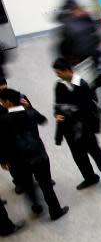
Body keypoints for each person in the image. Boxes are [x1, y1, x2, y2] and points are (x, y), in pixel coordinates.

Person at [0, 90, 68, 220]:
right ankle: (55, 211)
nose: (2, 104)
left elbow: (1, 142)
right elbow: (43, 120)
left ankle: (36, 207)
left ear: (8, 102)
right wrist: (29, 107)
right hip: (38, 154)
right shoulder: (30, 113)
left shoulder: (2, 120)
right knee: (46, 184)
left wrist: (3, 160)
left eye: (2, 102)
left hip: (18, 159)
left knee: (27, 185)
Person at [51, 58, 101, 190]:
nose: (57, 75)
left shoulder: (82, 86)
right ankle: (90, 177)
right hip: (69, 130)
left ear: (68, 71)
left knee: (96, 154)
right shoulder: (59, 86)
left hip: (85, 129)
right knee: (79, 157)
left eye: (59, 72)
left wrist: (91, 129)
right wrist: (56, 114)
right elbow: (57, 106)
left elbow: (91, 110)